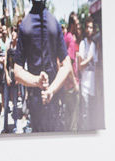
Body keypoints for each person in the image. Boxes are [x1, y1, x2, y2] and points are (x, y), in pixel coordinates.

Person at [13, 0, 72, 132]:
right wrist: (50, 89)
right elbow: (66, 65)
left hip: (37, 98)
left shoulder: (24, 25)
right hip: (50, 97)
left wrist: (38, 82)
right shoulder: (54, 23)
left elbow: (17, 71)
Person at [77, 19, 96, 130]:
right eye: (88, 27)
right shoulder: (82, 44)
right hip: (85, 86)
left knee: (91, 114)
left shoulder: (93, 45)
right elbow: (80, 66)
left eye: (91, 27)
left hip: (92, 85)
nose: (89, 30)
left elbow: (95, 65)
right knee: (85, 114)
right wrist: (89, 58)